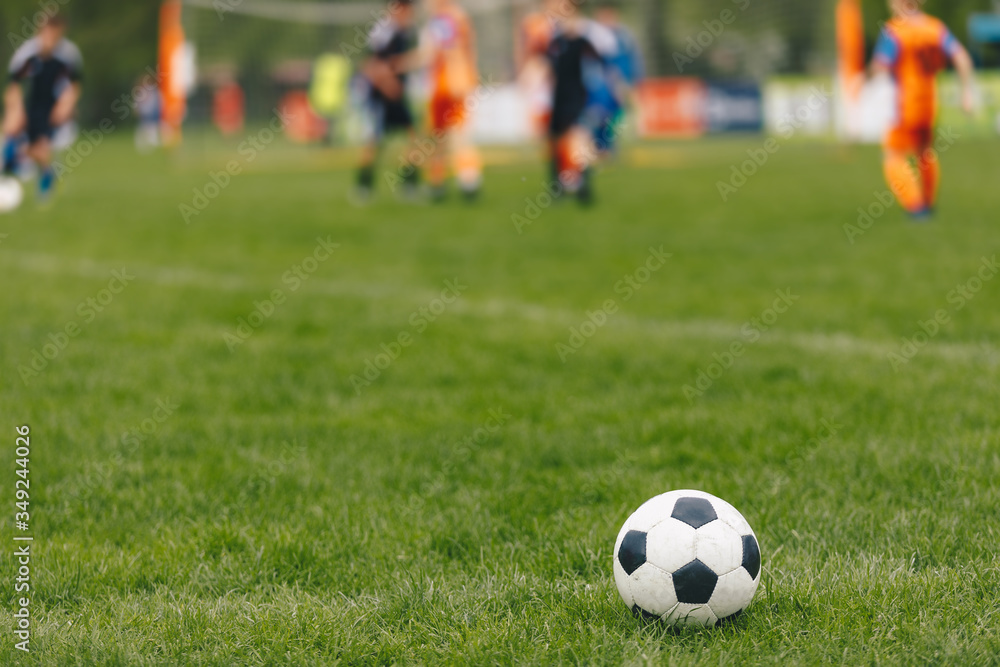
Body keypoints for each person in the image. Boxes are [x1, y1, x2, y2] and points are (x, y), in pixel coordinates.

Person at [869, 0, 975, 220]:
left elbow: (880, 65)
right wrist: (966, 92)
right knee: (924, 153)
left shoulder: (894, 30)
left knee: (893, 155)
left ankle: (916, 208)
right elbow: (961, 56)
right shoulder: (935, 27)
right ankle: (928, 202)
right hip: (929, 102)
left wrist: (863, 76)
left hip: (905, 104)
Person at [2, 13, 82, 204]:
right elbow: (13, 85)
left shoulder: (68, 54)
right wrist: (15, 110)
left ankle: (44, 186)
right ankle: (14, 170)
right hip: (29, 105)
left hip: (52, 109)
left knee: (42, 147)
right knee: (14, 138)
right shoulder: (26, 54)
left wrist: (67, 104)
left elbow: (75, 85)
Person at [545, 1, 619, 204]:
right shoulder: (555, 39)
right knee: (556, 140)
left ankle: (583, 187)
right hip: (559, 97)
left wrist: (609, 92)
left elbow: (604, 68)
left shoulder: (589, 39)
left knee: (578, 138)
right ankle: (558, 187)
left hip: (581, 97)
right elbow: (548, 68)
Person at [354, 0, 421, 202]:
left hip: (398, 96)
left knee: (414, 139)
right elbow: (369, 65)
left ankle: (409, 186)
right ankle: (363, 187)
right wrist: (387, 84)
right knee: (375, 143)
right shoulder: (383, 32)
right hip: (381, 97)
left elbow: (397, 63)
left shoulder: (405, 33)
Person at [421, 0, 482, 201]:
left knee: (452, 136)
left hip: (449, 85)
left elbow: (452, 50)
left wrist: (459, 82)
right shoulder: (452, 16)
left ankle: (466, 183)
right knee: (443, 137)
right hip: (447, 84)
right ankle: (447, 183)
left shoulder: (446, 18)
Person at [587, 0, 642, 156]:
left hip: (623, 81)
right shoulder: (594, 35)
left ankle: (609, 148)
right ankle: (600, 148)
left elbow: (634, 59)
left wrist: (633, 81)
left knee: (615, 115)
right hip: (602, 83)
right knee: (599, 114)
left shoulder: (624, 35)